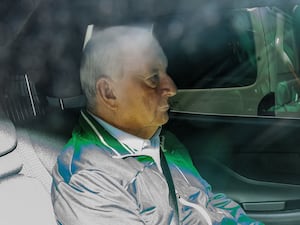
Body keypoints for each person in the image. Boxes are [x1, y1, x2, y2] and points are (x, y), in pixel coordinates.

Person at [51, 26, 263, 225]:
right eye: (153, 78)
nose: (171, 88)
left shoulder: (162, 140)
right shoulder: (88, 179)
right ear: (109, 92)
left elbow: (208, 201)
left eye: (165, 72)